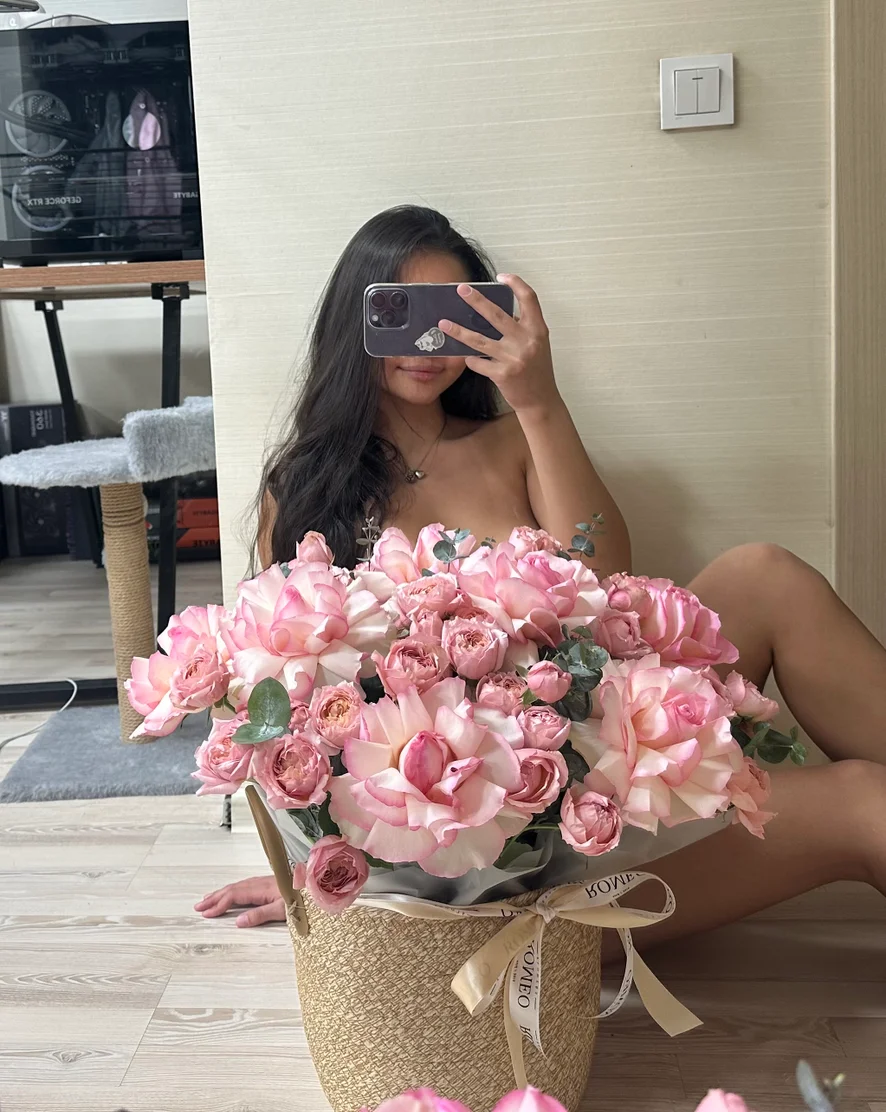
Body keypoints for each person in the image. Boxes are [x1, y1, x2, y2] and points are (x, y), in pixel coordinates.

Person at [196, 204, 886, 950]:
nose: (427, 343)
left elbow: (610, 589)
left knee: (766, 574)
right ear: (353, 321)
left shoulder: (513, 441)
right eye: (399, 312)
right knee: (868, 804)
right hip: (493, 856)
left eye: (452, 317)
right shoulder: (305, 488)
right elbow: (282, 705)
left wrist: (538, 399)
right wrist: (317, 866)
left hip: (581, 756)